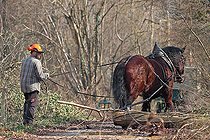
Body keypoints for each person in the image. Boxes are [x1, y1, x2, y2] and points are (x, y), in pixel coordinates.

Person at [20, 43, 49, 125]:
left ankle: (25, 122)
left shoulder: (24, 61)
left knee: (27, 103)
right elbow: (40, 76)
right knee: (32, 104)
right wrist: (47, 75)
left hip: (24, 86)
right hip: (32, 87)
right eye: (39, 53)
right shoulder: (36, 62)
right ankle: (29, 123)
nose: (40, 55)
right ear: (34, 52)